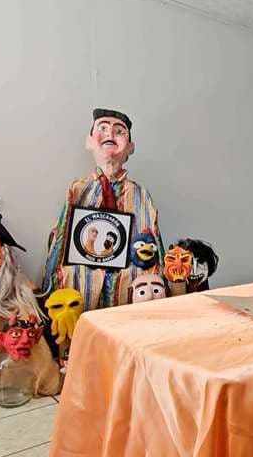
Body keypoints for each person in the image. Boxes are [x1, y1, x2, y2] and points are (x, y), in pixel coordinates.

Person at [42, 108, 166, 310]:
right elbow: (61, 239)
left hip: (128, 280)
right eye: (103, 128)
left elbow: (155, 243)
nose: (110, 134)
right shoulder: (78, 189)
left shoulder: (141, 194)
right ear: (89, 142)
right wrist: (51, 280)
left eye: (120, 131)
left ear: (131, 147)